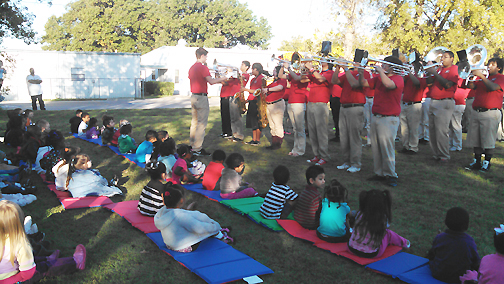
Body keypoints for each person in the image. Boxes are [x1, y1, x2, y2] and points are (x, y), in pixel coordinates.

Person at [0, 200, 86, 284]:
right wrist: (15, 279)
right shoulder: (20, 244)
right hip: (16, 280)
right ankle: (75, 262)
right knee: (43, 268)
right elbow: (27, 273)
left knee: (29, 258)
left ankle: (48, 258)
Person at [358, 56, 405, 187]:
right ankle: (379, 173)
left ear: (392, 67)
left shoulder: (398, 78)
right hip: (377, 116)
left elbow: (389, 85)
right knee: (377, 147)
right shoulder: (380, 77)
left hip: (388, 118)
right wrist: (361, 72)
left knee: (387, 147)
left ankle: (391, 174)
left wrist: (380, 72)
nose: (382, 66)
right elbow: (364, 84)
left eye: (385, 64)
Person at [154, 184, 233, 253]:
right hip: (183, 247)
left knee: (195, 222)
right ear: (182, 200)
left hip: (169, 244)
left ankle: (218, 231)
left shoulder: (161, 213)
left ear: (164, 201)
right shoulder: (182, 217)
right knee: (208, 230)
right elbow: (200, 229)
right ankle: (220, 235)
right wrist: (215, 226)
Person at [465, 57, 504, 172]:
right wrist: (471, 76)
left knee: (488, 139)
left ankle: (487, 162)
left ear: (499, 67)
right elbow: (470, 86)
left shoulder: (501, 78)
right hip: (477, 111)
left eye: (492, 64)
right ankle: (477, 161)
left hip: (490, 112)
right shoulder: (484, 78)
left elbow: (492, 87)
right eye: (488, 64)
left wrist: (481, 76)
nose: (489, 66)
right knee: (475, 139)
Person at [348, 189, 410, 258]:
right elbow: (385, 229)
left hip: (351, 249)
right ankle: (404, 243)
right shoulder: (382, 219)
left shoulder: (359, 214)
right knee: (388, 234)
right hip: (371, 254)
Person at [188, 47, 227, 157]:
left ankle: (192, 145)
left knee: (194, 122)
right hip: (201, 97)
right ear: (202, 56)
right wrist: (223, 78)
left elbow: (201, 80)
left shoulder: (191, 68)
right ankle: (197, 149)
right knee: (201, 124)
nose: (206, 58)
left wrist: (219, 80)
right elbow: (211, 81)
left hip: (193, 97)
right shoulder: (203, 67)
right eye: (206, 56)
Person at [332, 61, 369, 173]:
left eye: (357, 61)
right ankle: (346, 161)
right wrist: (337, 68)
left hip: (355, 107)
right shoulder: (349, 73)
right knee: (344, 137)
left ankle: (356, 163)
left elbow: (354, 84)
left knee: (354, 137)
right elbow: (334, 81)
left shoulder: (364, 73)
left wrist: (346, 69)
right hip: (344, 107)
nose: (354, 63)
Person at [428, 207, 480, 283]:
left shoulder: (440, 237)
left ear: (446, 222)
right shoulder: (469, 242)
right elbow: (476, 262)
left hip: (437, 274)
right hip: (459, 279)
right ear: (466, 225)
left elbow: (432, 254)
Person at [425, 51, 459, 162]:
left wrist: (435, 73)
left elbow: (447, 84)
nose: (442, 59)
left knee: (441, 130)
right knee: (432, 130)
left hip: (444, 102)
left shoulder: (454, 69)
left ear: (452, 58)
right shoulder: (439, 69)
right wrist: (429, 72)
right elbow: (429, 83)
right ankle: (436, 154)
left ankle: (444, 155)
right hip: (434, 101)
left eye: (445, 57)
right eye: (442, 57)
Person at [302, 60, 334, 166]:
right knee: (312, 131)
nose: (321, 61)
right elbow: (303, 79)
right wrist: (304, 68)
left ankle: (324, 156)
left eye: (324, 60)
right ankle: (317, 154)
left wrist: (311, 68)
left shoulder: (329, 73)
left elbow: (321, 79)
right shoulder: (317, 72)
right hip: (311, 103)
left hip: (321, 104)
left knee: (321, 132)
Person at [279, 57, 308, 156]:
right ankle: (296, 148)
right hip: (291, 102)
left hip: (299, 103)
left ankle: (300, 150)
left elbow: (296, 78)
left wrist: (289, 68)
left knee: (300, 128)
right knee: (295, 128)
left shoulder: (305, 75)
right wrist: (283, 66)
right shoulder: (294, 74)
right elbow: (280, 76)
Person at [399, 69, 427, 154]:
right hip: (405, 103)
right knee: (404, 128)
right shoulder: (408, 76)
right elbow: (402, 82)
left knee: (413, 128)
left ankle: (413, 147)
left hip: (414, 104)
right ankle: (405, 145)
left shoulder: (422, 76)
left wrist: (410, 73)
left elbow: (417, 83)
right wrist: (402, 73)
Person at [317, 179, 351, 243]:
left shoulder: (324, 202)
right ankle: (348, 230)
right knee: (347, 217)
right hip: (339, 238)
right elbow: (350, 215)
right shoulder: (344, 207)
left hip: (321, 235)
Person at [262, 65, 287, 150]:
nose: (273, 72)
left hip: (277, 104)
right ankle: (274, 142)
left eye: (274, 71)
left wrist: (268, 90)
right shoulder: (274, 81)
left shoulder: (282, 80)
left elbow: (280, 87)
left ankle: (278, 143)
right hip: (269, 104)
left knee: (277, 124)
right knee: (272, 124)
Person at [294, 165, 325, 229]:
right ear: (311, 181)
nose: (323, 181)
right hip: (310, 225)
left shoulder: (305, 190)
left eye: (324, 179)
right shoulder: (316, 196)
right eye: (320, 179)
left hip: (298, 220)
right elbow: (319, 212)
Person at [242, 63, 266, 146]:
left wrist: (245, 89)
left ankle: (257, 140)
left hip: (257, 102)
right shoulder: (253, 79)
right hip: (252, 101)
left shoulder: (261, 78)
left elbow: (258, 91)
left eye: (253, 69)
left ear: (257, 70)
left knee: (257, 121)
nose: (251, 70)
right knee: (252, 122)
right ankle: (254, 139)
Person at [229, 61, 250, 142]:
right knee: (233, 117)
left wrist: (234, 72)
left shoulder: (246, 75)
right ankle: (234, 134)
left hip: (238, 97)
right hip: (232, 95)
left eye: (242, 65)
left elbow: (241, 78)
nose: (240, 66)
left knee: (237, 117)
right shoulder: (239, 75)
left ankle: (240, 135)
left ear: (247, 67)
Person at [449, 78, 469, 151]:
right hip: (453, 102)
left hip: (458, 103)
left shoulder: (462, 79)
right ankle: (451, 143)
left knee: (456, 125)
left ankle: (457, 145)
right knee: (451, 126)